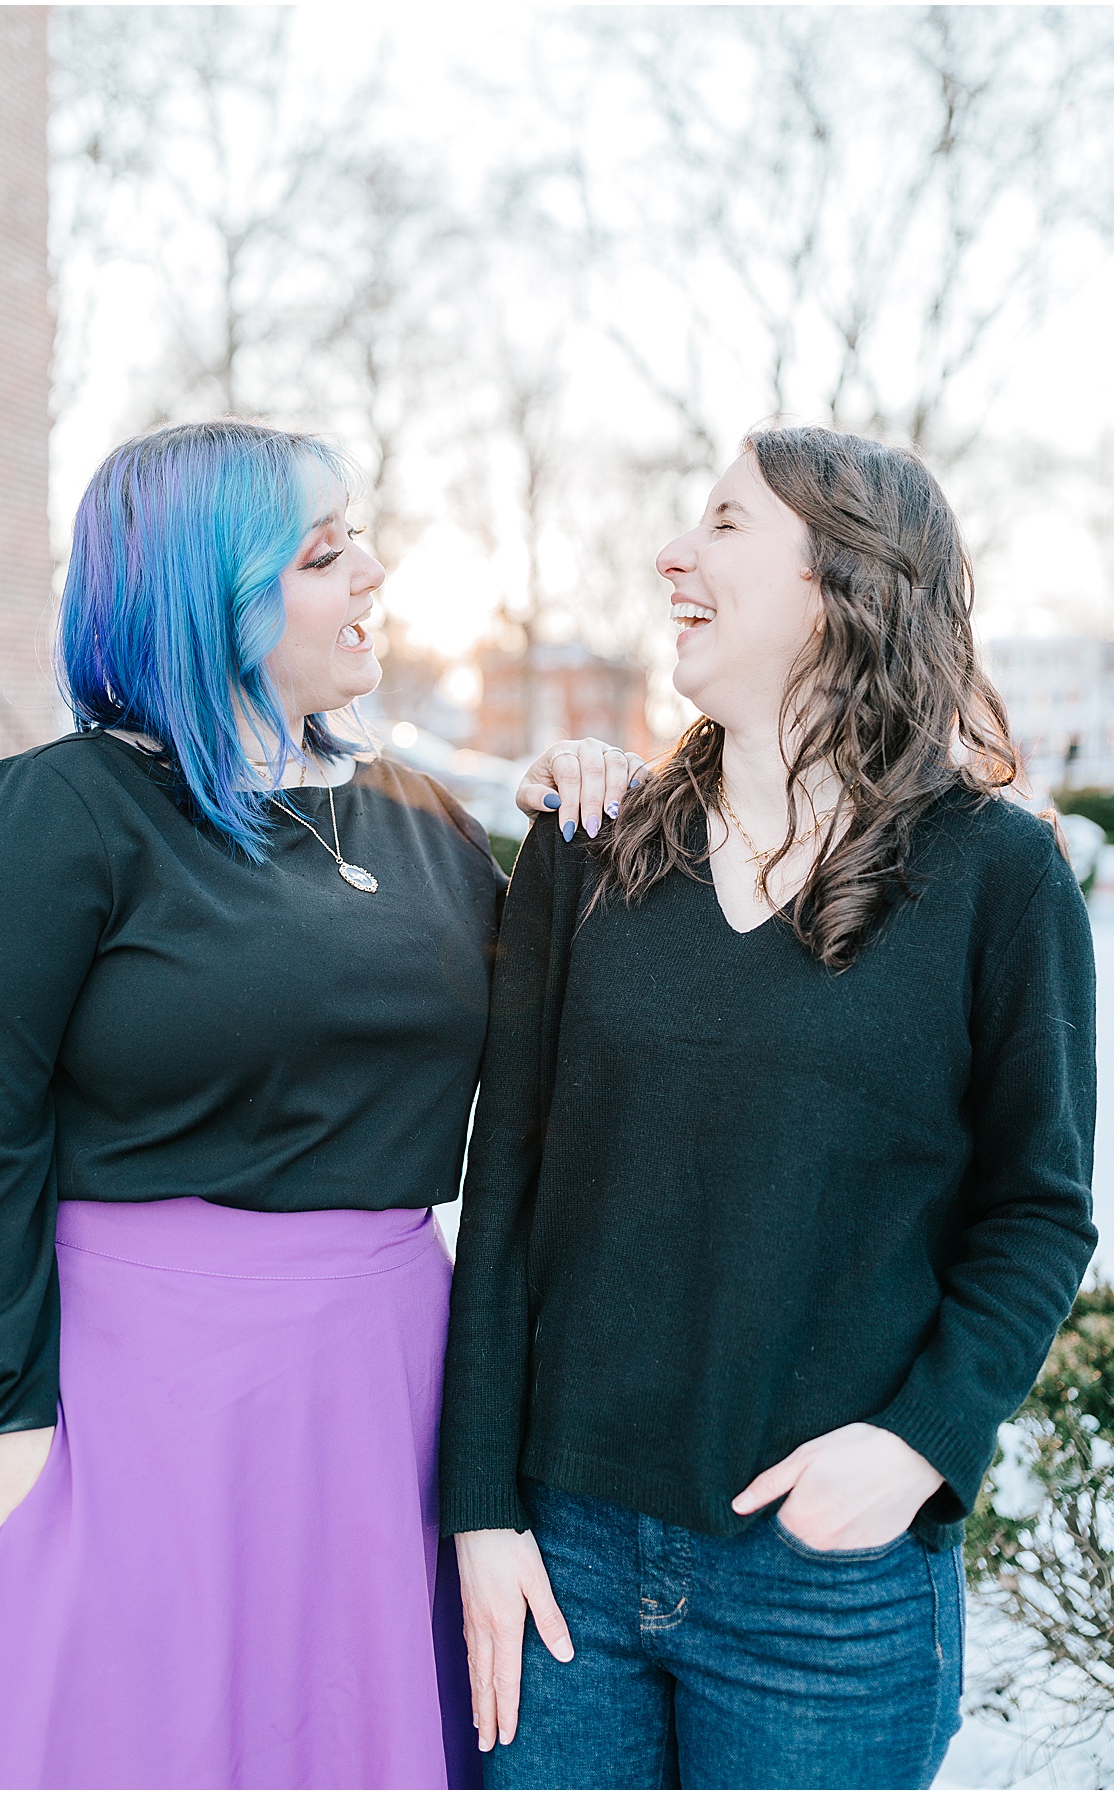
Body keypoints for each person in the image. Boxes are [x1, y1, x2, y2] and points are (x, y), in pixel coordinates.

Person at [0, 418, 642, 1792]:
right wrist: (11, 1456)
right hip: (123, 1409)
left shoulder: (426, 816)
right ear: (212, 596)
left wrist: (580, 822)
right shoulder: (53, 819)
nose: (372, 569)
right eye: (325, 553)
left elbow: (563, 1055)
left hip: (382, 1390)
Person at [440, 426, 1098, 1791]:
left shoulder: (998, 880)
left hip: (827, 1593)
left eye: (726, 525)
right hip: (564, 1575)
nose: (672, 554)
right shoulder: (591, 853)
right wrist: (481, 1515)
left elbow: (1035, 1215)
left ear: (847, 583)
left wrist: (924, 1442)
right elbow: (502, 1202)